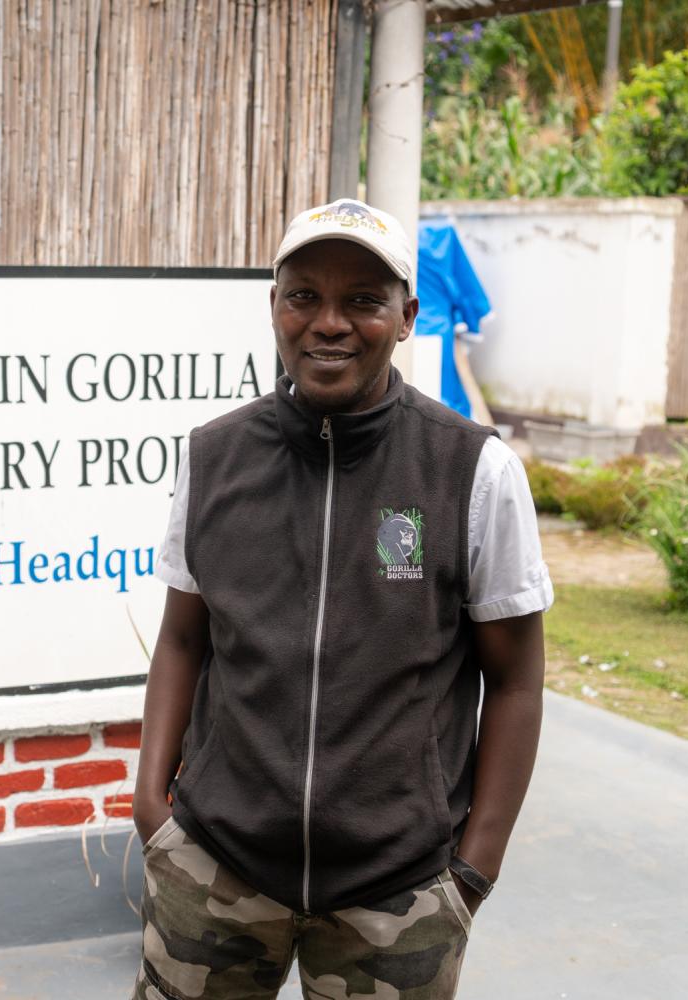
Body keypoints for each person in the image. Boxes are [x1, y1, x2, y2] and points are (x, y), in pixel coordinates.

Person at [132, 199, 551, 1000]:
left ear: (405, 317)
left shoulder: (471, 471)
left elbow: (518, 681)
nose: (329, 323)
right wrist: (154, 806)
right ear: (275, 307)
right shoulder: (214, 458)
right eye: (304, 296)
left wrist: (471, 875)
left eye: (362, 299)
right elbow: (183, 639)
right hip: (215, 869)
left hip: (397, 893)